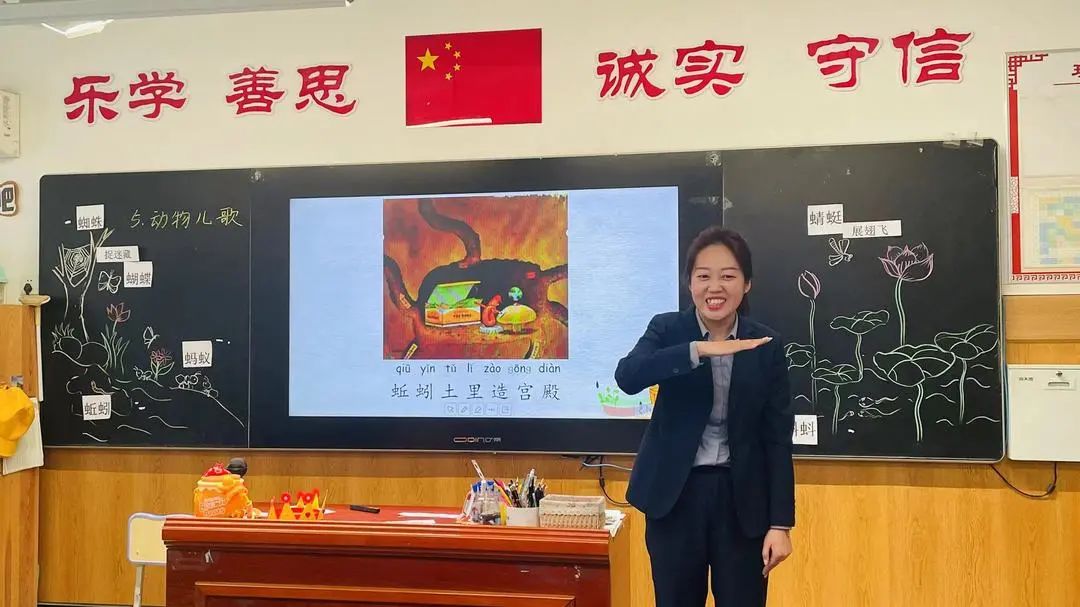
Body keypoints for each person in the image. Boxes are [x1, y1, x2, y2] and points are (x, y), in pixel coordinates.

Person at [615, 226, 795, 607]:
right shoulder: (667, 329)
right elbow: (628, 376)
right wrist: (696, 350)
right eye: (703, 276)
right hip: (675, 498)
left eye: (728, 276)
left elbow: (778, 438)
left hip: (741, 501)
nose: (715, 287)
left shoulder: (766, 345)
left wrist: (780, 524)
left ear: (747, 284)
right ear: (690, 283)